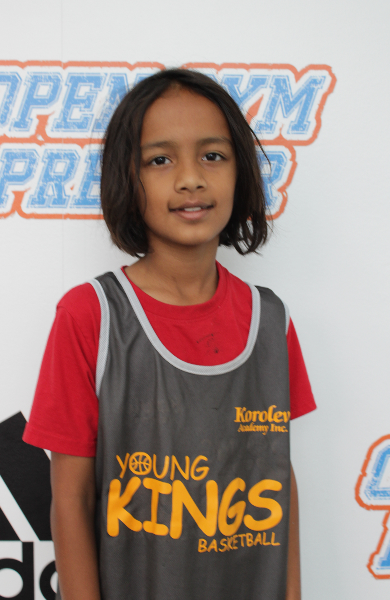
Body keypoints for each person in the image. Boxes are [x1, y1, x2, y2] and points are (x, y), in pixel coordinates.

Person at [23, 68, 316, 600]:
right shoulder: (90, 315)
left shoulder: (270, 319)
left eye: (213, 155)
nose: (191, 179)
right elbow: (70, 498)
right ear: (126, 180)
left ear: (241, 172)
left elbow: (279, 478)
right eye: (160, 160)